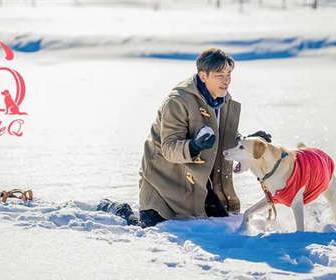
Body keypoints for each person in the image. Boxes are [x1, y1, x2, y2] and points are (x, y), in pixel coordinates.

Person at [98, 48, 241, 228]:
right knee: (149, 228)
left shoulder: (223, 100)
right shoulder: (177, 102)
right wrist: (194, 146)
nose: (226, 80)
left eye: (228, 74)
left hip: (198, 184)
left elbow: (225, 136)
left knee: (221, 222)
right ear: (203, 76)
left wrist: (249, 143)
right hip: (163, 182)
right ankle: (118, 209)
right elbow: (169, 148)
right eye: (220, 75)